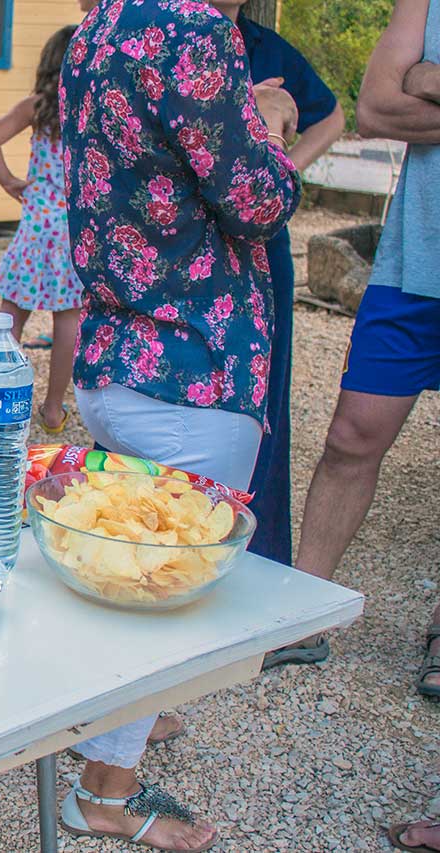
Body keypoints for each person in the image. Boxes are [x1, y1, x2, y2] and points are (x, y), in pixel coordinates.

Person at [59, 0, 301, 849]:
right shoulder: (195, 31)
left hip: (113, 349)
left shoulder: (100, 24)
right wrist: (271, 125)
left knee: (111, 564)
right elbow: (257, 201)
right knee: (163, 591)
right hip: (193, 363)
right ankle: (102, 795)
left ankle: (105, 730)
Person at [281, 0, 440, 699]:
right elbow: (376, 108)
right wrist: (404, 85)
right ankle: (302, 612)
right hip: (414, 267)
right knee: (351, 435)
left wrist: (428, 80)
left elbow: (405, 96)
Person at [194, 0, 344, 576]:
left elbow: (331, 116)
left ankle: (262, 562)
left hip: (261, 251)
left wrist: (289, 163)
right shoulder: (171, 37)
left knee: (262, 409)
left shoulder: (264, 46)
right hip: (194, 247)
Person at [0, 26, 81, 435]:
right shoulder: (92, 108)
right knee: (68, 316)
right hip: (72, 224)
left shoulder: (38, 106)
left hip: (36, 221)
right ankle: (53, 409)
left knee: (12, 311)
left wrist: (8, 181)